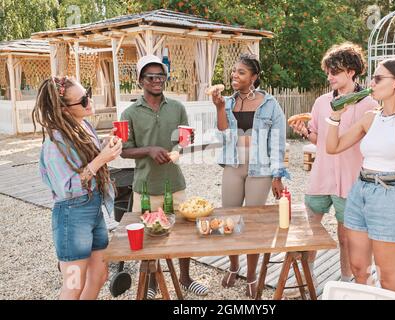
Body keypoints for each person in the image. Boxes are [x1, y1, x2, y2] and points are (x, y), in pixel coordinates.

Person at [326, 57, 395, 293]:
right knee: (359, 270)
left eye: (377, 78)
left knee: (388, 279)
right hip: (360, 192)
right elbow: (333, 148)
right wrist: (336, 117)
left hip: (389, 195)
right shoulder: (370, 117)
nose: (371, 83)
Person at [120, 55, 208, 298]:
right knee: (148, 237)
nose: (157, 80)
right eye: (151, 76)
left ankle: (186, 278)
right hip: (145, 187)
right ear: (140, 81)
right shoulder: (129, 113)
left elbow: (183, 141)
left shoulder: (178, 108)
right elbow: (124, 150)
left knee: (184, 233)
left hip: (174, 184)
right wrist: (149, 150)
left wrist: (185, 143)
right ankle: (151, 283)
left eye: (161, 76)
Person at [290, 43, 378, 285]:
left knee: (346, 237)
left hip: (351, 181)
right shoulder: (321, 102)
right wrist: (305, 132)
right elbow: (318, 138)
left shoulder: (370, 105)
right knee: (309, 232)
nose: (329, 77)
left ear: (351, 71)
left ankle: (346, 280)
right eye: (327, 72)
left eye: (334, 72)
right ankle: (306, 277)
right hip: (321, 177)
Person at [33, 76, 122, 299]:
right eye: (83, 100)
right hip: (72, 215)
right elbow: (67, 188)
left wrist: (104, 146)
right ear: (64, 109)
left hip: (92, 209)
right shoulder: (55, 142)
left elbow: (88, 159)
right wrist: (101, 159)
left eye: (88, 94)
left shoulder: (83, 125)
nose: (89, 101)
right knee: (73, 284)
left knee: (99, 275)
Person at [211, 53, 289, 298]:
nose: (235, 75)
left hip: (260, 169)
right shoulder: (227, 101)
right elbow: (223, 134)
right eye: (234, 71)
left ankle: (252, 274)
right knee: (230, 221)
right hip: (234, 165)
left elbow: (277, 141)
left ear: (254, 77)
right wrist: (220, 107)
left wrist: (277, 176)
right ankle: (234, 267)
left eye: (241, 72)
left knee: (253, 226)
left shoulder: (270, 104)